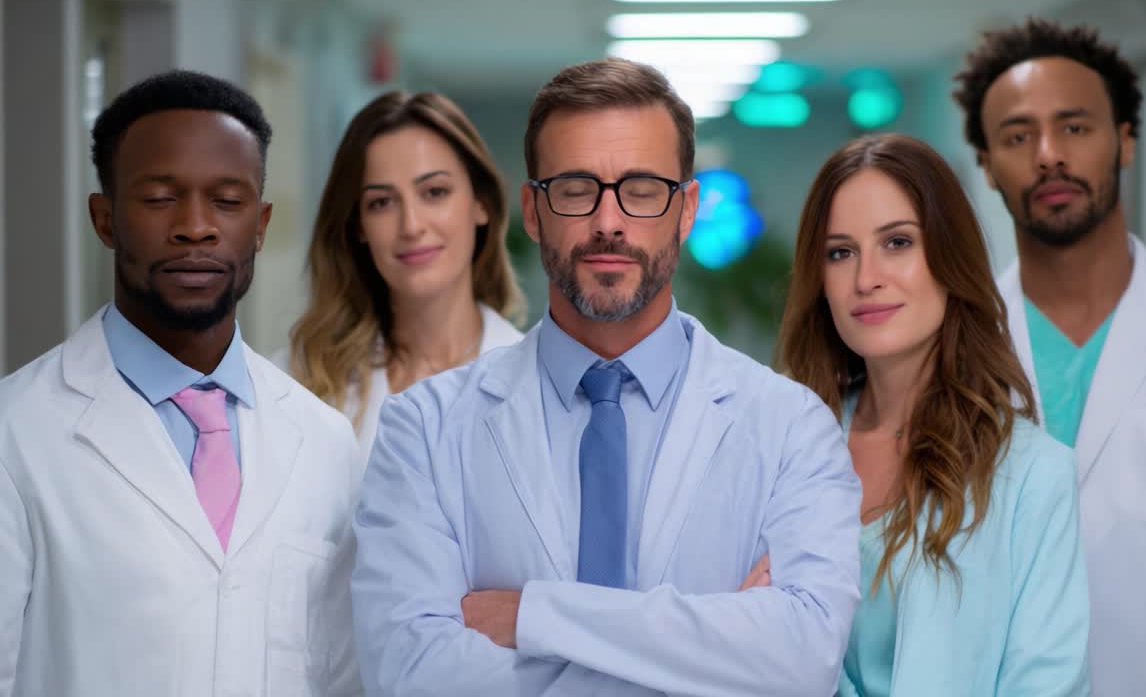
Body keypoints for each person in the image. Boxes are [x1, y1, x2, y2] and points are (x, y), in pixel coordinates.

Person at [351, 57, 862, 696]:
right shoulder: (423, 430)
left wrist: (531, 615)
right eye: (575, 188)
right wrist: (717, 652)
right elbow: (411, 675)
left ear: (686, 210)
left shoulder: (791, 428)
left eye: (642, 189)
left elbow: (803, 661)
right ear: (533, 212)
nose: (609, 222)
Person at [0, 70, 362, 696]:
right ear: (105, 219)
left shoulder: (324, 440)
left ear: (261, 224)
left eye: (228, 200)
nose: (196, 227)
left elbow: (343, 675)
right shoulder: (9, 437)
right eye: (160, 197)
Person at [955, 18, 1146, 695]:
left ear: (1125, 140)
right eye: (1016, 135)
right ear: (985, 165)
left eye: (1075, 127)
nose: (1047, 155)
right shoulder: (952, 351)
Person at [776, 133, 1089, 696]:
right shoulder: (785, 446)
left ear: (950, 259)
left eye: (897, 242)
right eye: (840, 252)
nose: (867, 278)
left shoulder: (1033, 477)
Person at [281, 91, 524, 460]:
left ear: (481, 204)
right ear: (358, 225)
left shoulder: (535, 382)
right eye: (381, 202)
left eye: (435, 192)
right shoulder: (293, 380)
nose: (411, 226)